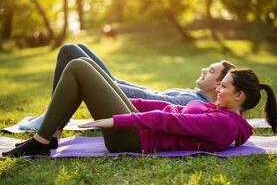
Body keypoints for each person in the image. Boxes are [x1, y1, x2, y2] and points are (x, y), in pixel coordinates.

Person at [2, 58, 277, 157]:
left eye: (224, 86)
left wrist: (110, 121)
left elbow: (168, 122)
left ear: (240, 96)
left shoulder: (224, 125)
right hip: (140, 127)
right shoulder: (222, 113)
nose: (218, 88)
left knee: (78, 66)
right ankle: (49, 138)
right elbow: (167, 108)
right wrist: (126, 101)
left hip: (134, 139)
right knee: (83, 68)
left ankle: (41, 140)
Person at [19, 43, 236, 130]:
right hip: (123, 94)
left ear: (219, 84)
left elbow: (156, 104)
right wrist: (117, 82)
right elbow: (153, 93)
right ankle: (52, 116)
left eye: (211, 71)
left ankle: (51, 120)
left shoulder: (196, 103)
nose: (204, 70)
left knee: (69, 51)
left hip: (124, 104)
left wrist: (112, 86)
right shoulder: (195, 94)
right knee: (78, 48)